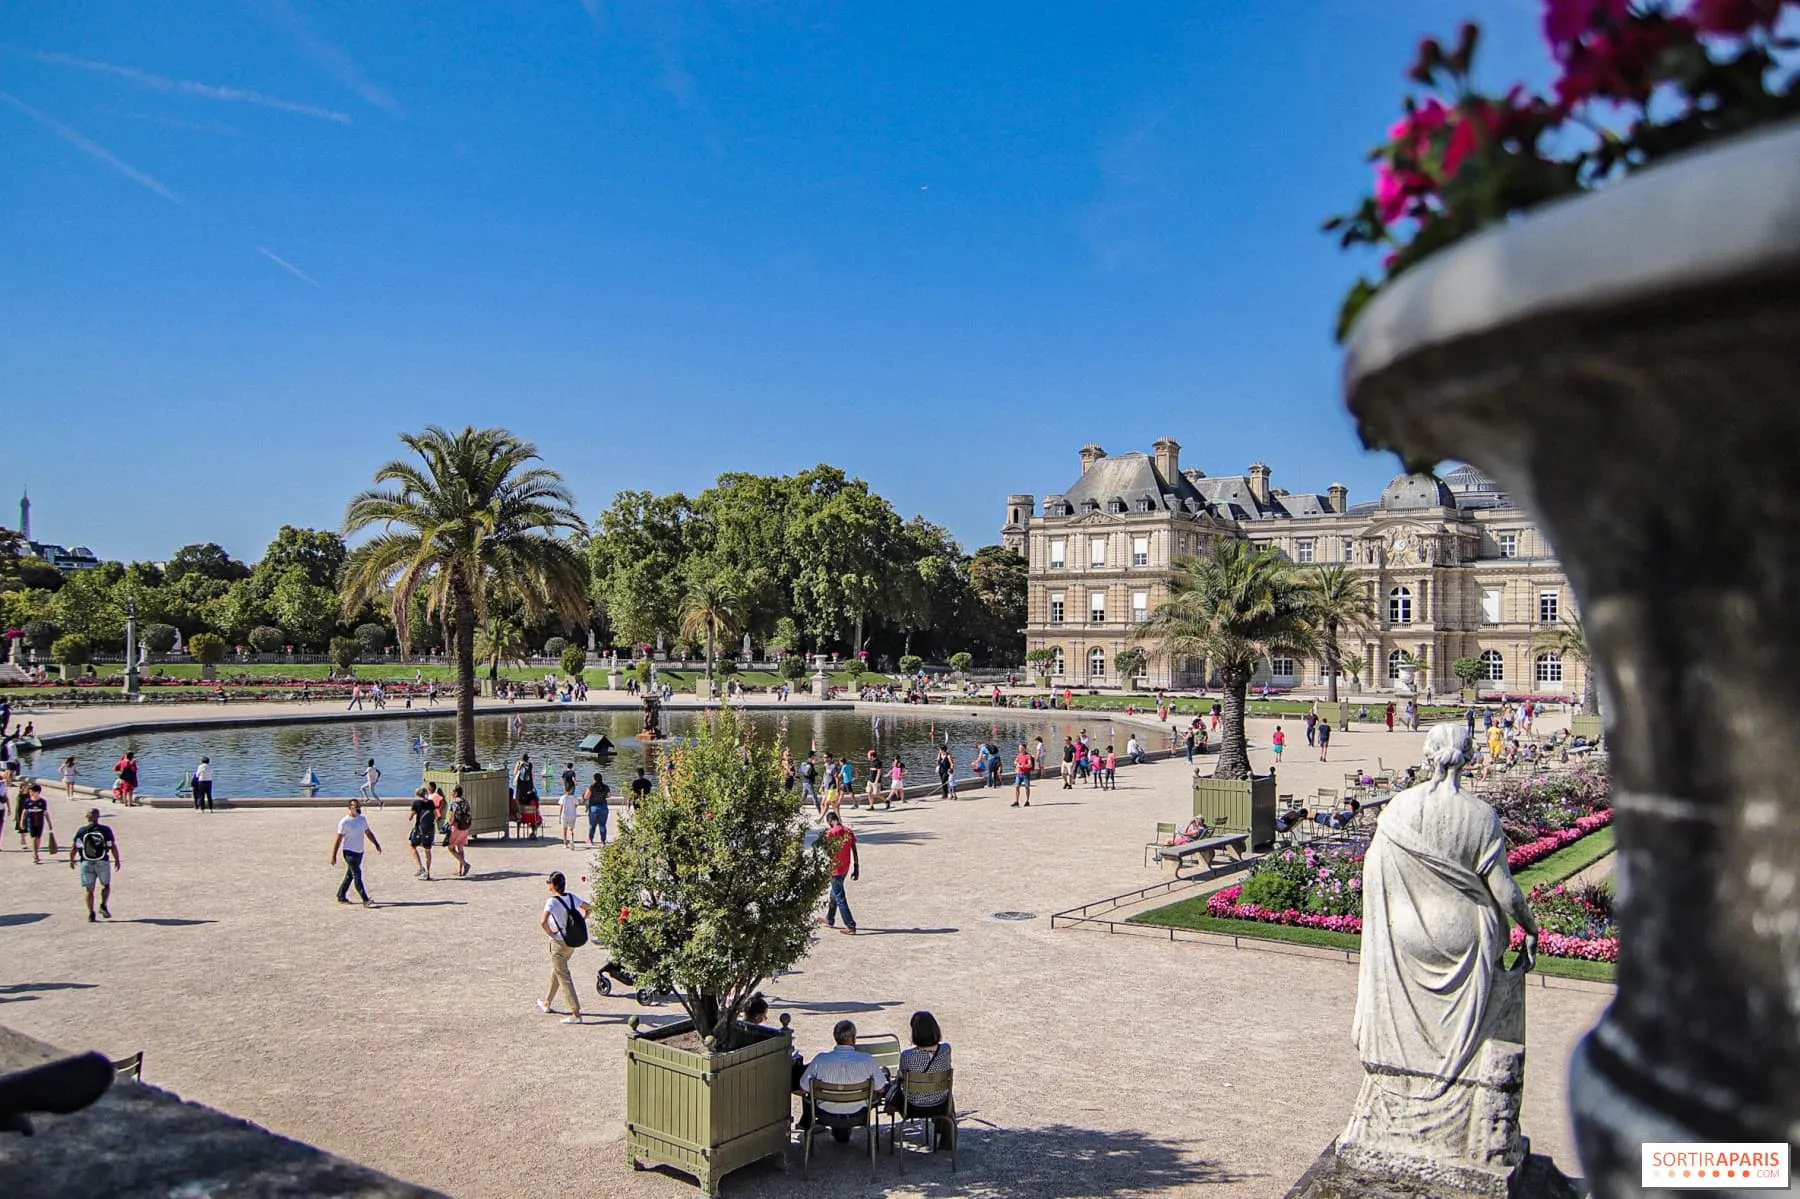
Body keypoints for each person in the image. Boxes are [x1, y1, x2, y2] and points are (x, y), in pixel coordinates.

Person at [798, 1020, 888, 1139]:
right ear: (853, 1038)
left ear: (835, 1038)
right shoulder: (866, 1060)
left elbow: (803, 1088)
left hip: (826, 1113)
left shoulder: (820, 1060)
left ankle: (806, 1123)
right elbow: (881, 1088)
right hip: (858, 1113)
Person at [538, 872, 589, 1024]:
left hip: (558, 942)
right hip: (571, 942)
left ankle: (575, 1013)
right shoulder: (572, 897)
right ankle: (547, 1002)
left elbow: (542, 921)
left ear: (553, 885)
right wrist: (582, 919)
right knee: (557, 970)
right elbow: (589, 907)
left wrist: (550, 932)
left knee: (563, 975)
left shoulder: (551, 902)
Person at [744, 993, 807, 1091]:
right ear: (757, 1017)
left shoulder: (738, 1026)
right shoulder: (758, 1033)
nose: (765, 1019)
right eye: (764, 1016)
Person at [69, 808, 120, 922]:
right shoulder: (105, 830)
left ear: (87, 817)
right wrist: (117, 859)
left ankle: (91, 913)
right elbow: (112, 846)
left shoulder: (82, 831)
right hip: (102, 861)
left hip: (86, 862)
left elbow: (75, 847)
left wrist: (71, 859)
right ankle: (103, 905)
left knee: (89, 890)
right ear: (98, 817)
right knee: (105, 885)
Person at [331, 798, 382, 906]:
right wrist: (334, 855)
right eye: (355, 807)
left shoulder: (362, 819)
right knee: (357, 875)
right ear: (349, 807)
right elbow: (338, 839)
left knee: (350, 875)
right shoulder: (344, 822)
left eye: (358, 806)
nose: (357, 809)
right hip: (349, 852)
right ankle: (365, 900)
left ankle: (341, 895)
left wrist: (376, 843)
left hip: (359, 851)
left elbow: (368, 832)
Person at [822, 811, 858, 934]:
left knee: (840, 897)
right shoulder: (848, 831)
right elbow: (854, 848)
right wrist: (856, 866)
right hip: (845, 867)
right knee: (834, 894)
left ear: (830, 821)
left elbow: (825, 851)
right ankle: (829, 919)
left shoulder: (830, 833)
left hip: (835, 869)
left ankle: (850, 925)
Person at [407, 786, 437, 880]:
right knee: (427, 850)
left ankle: (420, 868)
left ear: (417, 794)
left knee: (412, 846)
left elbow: (410, 817)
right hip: (429, 829)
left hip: (419, 830)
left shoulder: (416, 803)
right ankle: (428, 872)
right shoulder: (431, 802)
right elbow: (436, 815)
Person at [20, 782, 51, 863]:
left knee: (38, 838)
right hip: (31, 822)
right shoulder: (28, 801)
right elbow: (24, 812)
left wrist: (49, 823)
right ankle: (35, 854)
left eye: (31, 791)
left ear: (37, 792)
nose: (30, 793)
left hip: (40, 822)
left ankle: (36, 850)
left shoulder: (42, 801)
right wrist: (22, 822)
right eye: (30, 791)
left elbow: (45, 813)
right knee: (33, 837)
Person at [446, 786, 472, 877]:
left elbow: (452, 816)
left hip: (456, 828)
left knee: (451, 848)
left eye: (452, 792)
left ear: (456, 793)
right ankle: (460, 871)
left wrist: (449, 823)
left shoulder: (454, 803)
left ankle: (465, 864)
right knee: (460, 848)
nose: (450, 793)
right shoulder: (466, 802)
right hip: (465, 827)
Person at [585, 772, 611, 847]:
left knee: (592, 825)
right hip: (603, 807)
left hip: (594, 808)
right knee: (602, 825)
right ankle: (603, 842)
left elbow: (586, 797)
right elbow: (609, 795)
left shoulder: (592, 787)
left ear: (594, 779)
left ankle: (590, 840)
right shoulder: (605, 786)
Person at [555, 777, 580, 849]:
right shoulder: (574, 797)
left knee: (564, 829)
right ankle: (572, 840)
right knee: (571, 829)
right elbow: (576, 805)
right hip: (572, 816)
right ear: (572, 789)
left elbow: (561, 807)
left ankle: (565, 843)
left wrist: (559, 816)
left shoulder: (563, 797)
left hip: (564, 816)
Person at [1010, 743, 1033, 807]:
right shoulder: (1019, 755)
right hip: (1019, 774)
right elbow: (1015, 761)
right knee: (1017, 786)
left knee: (1027, 787)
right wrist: (1016, 764)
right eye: (1019, 748)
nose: (1020, 749)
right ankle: (1017, 801)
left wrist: (1021, 766)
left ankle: (1027, 801)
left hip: (1026, 774)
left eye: (1021, 748)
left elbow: (1030, 764)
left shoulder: (1028, 756)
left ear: (1024, 749)